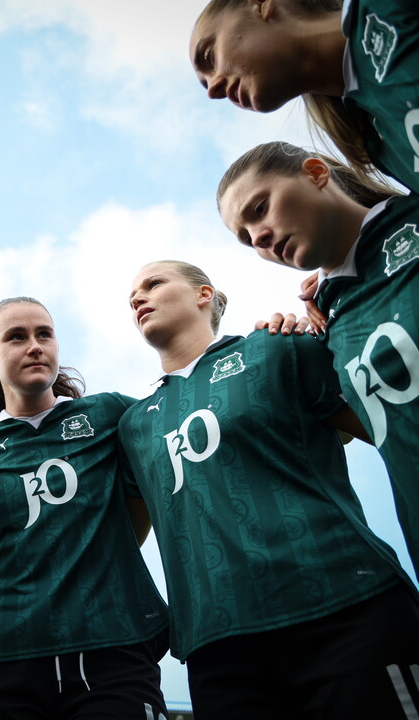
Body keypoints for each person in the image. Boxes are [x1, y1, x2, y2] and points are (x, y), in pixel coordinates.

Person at [120, 260, 419, 719]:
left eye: (153, 284)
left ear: (204, 294)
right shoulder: (132, 424)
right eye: (132, 297)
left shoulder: (276, 349)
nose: (138, 298)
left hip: (346, 609)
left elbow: (388, 428)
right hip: (217, 645)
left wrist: (322, 331)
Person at [0, 297, 169, 720]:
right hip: (6, 660)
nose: (34, 346)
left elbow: (136, 515)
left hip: (113, 650)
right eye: (17, 337)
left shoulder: (109, 413)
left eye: (44, 334)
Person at [216, 138, 419, 576]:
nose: (260, 238)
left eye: (259, 209)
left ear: (315, 172)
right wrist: (294, 356)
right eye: (247, 238)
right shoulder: (331, 324)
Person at [188, 0, 419, 193]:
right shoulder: (380, 145)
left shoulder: (387, 8)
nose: (212, 90)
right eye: (206, 84)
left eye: (209, 56)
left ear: (260, 5)